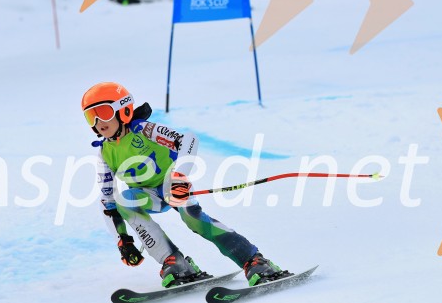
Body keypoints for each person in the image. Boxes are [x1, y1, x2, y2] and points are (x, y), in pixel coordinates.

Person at [82, 82, 290, 288]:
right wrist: (123, 240)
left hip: (172, 185)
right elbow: (107, 200)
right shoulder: (104, 153)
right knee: (123, 200)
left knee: (193, 220)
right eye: (91, 116)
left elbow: (187, 140)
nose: (99, 121)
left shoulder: (144, 130)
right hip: (147, 195)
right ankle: (174, 261)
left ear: (123, 109)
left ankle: (254, 260)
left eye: (104, 112)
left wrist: (179, 177)